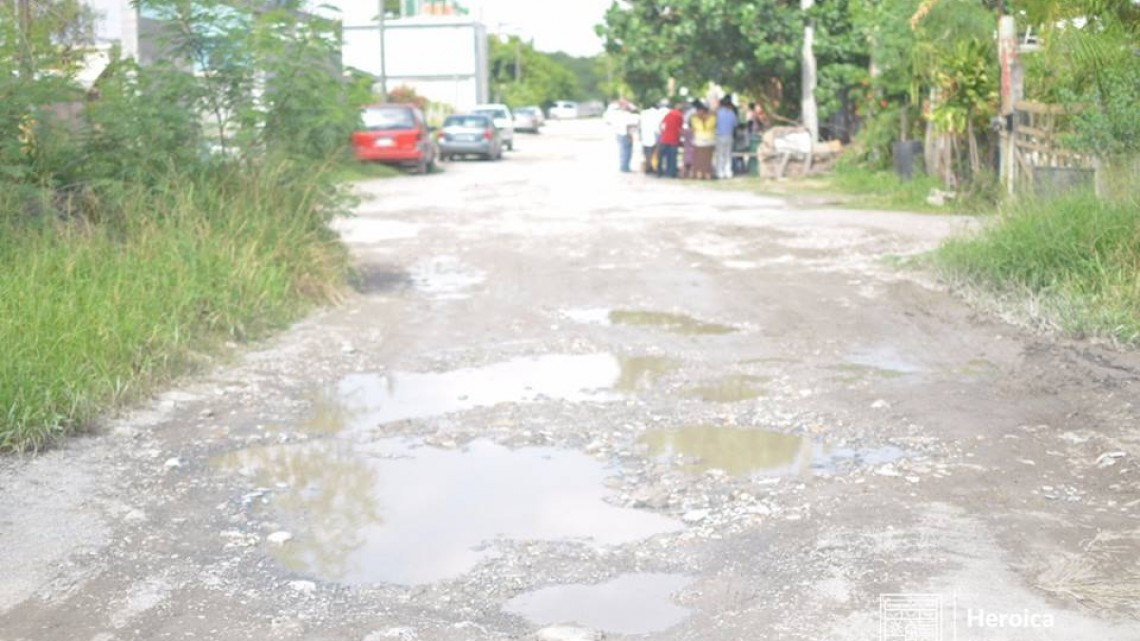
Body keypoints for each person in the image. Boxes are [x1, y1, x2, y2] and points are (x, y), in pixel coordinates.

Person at [605, 100, 638, 173]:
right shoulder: (627, 114)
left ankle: (623, 167)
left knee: (622, 152)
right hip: (626, 135)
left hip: (619, 134)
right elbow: (628, 126)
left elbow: (609, 123)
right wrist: (630, 136)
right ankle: (625, 168)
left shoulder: (617, 114)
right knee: (627, 152)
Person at [657, 101, 684, 178]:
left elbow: (661, 125)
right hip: (673, 140)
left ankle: (659, 172)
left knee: (661, 157)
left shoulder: (668, 114)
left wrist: (662, 133)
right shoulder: (680, 115)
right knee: (672, 157)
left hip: (664, 139)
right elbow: (680, 128)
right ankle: (671, 173)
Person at [690, 101, 716, 180]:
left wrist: (705, 118)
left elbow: (710, 126)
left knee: (707, 159)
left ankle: (707, 174)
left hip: (709, 141)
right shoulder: (694, 118)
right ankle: (699, 174)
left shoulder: (712, 118)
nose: (699, 112)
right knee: (698, 159)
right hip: (698, 141)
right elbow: (694, 127)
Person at [714, 95, 738, 179]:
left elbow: (715, 124)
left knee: (720, 154)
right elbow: (735, 124)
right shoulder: (732, 113)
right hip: (729, 136)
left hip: (720, 136)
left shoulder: (718, 113)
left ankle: (720, 172)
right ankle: (728, 172)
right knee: (728, 155)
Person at [639, 101, 665, 174]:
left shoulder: (643, 113)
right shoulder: (657, 114)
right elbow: (659, 127)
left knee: (647, 154)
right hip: (654, 137)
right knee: (654, 154)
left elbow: (639, 126)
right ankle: (653, 168)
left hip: (645, 137)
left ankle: (648, 168)